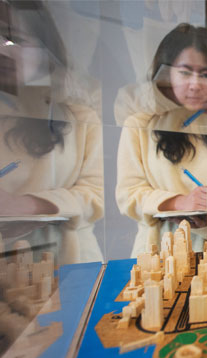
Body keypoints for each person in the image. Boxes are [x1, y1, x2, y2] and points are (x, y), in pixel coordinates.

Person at [115, 24, 207, 257]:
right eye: (185, 72)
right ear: (166, 73)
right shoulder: (140, 124)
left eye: (206, 74)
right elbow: (128, 194)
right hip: (157, 252)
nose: (195, 84)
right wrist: (178, 202)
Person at [0, 0, 104, 265]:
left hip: (73, 263)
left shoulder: (80, 119)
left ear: (45, 49)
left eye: (17, 40)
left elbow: (96, 195)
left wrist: (28, 206)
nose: (5, 50)